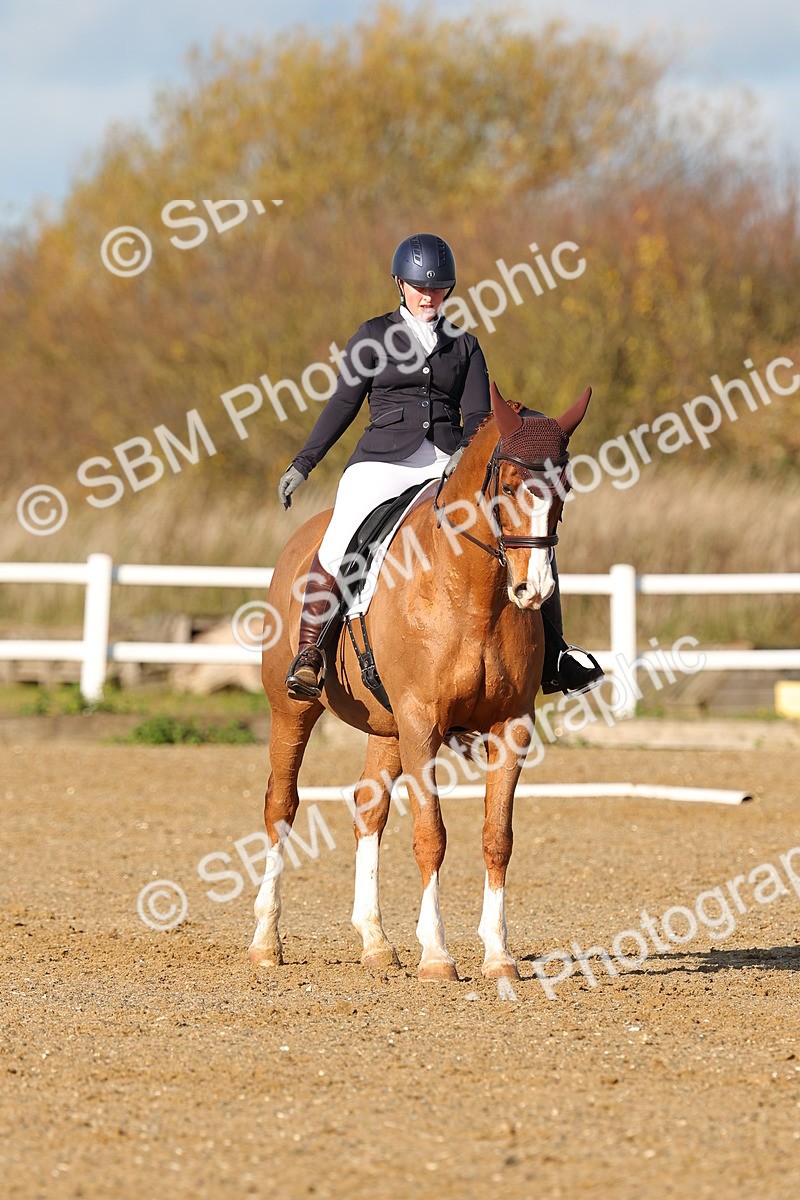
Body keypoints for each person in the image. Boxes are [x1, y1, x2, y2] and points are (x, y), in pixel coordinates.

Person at [278, 233, 603, 701]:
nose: (428, 296)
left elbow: (478, 418)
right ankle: (311, 651)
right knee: (340, 537)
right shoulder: (372, 336)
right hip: (381, 462)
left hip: (445, 463)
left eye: (436, 288)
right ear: (400, 284)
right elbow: (343, 405)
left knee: (525, 533)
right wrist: (304, 462)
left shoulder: (464, 345)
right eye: (419, 287)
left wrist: (463, 457)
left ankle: (556, 655)